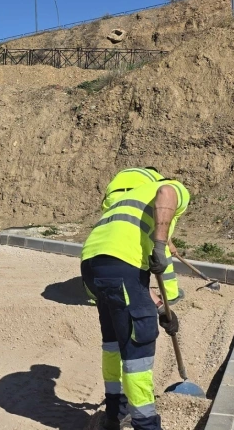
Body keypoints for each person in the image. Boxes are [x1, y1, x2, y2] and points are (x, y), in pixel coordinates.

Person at [80, 178, 190, 430]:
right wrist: (161, 246)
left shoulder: (124, 205)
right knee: (137, 347)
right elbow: (167, 192)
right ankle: (145, 424)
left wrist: (162, 311)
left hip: (91, 265)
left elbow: (132, 287)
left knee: (113, 342)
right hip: (120, 265)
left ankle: (114, 415)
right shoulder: (167, 186)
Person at [84, 167, 184, 307]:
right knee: (157, 248)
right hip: (135, 198)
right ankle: (171, 293)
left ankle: (100, 293)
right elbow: (162, 223)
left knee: (116, 242)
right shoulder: (157, 180)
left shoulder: (125, 173)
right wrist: (167, 244)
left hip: (113, 199)